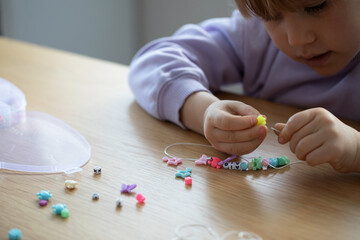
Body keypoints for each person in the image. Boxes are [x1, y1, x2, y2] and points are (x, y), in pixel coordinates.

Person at [128, 0, 360, 173]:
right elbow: (153, 61)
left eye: (315, 6)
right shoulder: (257, 38)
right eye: (271, 16)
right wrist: (205, 111)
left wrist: (356, 150)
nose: (296, 39)